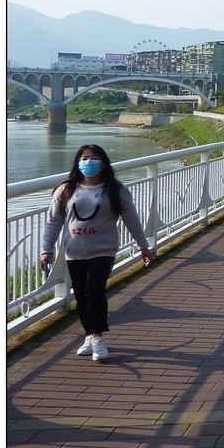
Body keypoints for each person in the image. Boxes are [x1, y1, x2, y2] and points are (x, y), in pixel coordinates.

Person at [40, 144, 155, 362]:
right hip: (74, 251)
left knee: (95, 290)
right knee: (81, 296)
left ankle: (98, 336)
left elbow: (132, 219)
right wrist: (47, 249)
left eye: (94, 158)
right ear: (77, 162)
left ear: (103, 162)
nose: (88, 162)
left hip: (104, 249)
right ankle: (90, 335)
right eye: (84, 158)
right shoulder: (65, 189)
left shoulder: (115, 189)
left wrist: (143, 246)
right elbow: (53, 221)